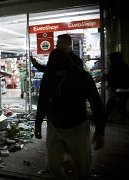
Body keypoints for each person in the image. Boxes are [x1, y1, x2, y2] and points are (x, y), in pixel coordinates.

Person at [33, 34, 106, 180]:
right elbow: (43, 100)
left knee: (82, 165)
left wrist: (100, 131)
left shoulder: (82, 76)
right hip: (54, 124)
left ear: (69, 66)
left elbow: (96, 104)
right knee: (53, 164)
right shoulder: (49, 74)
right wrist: (38, 124)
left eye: (61, 72)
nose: (58, 75)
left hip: (77, 125)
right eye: (55, 72)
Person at [103, 52, 129, 122]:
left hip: (121, 91)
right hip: (123, 90)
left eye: (110, 58)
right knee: (109, 106)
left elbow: (109, 77)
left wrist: (104, 75)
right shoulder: (122, 65)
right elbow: (117, 77)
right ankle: (103, 121)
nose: (109, 60)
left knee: (121, 111)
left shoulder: (116, 66)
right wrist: (110, 84)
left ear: (114, 59)